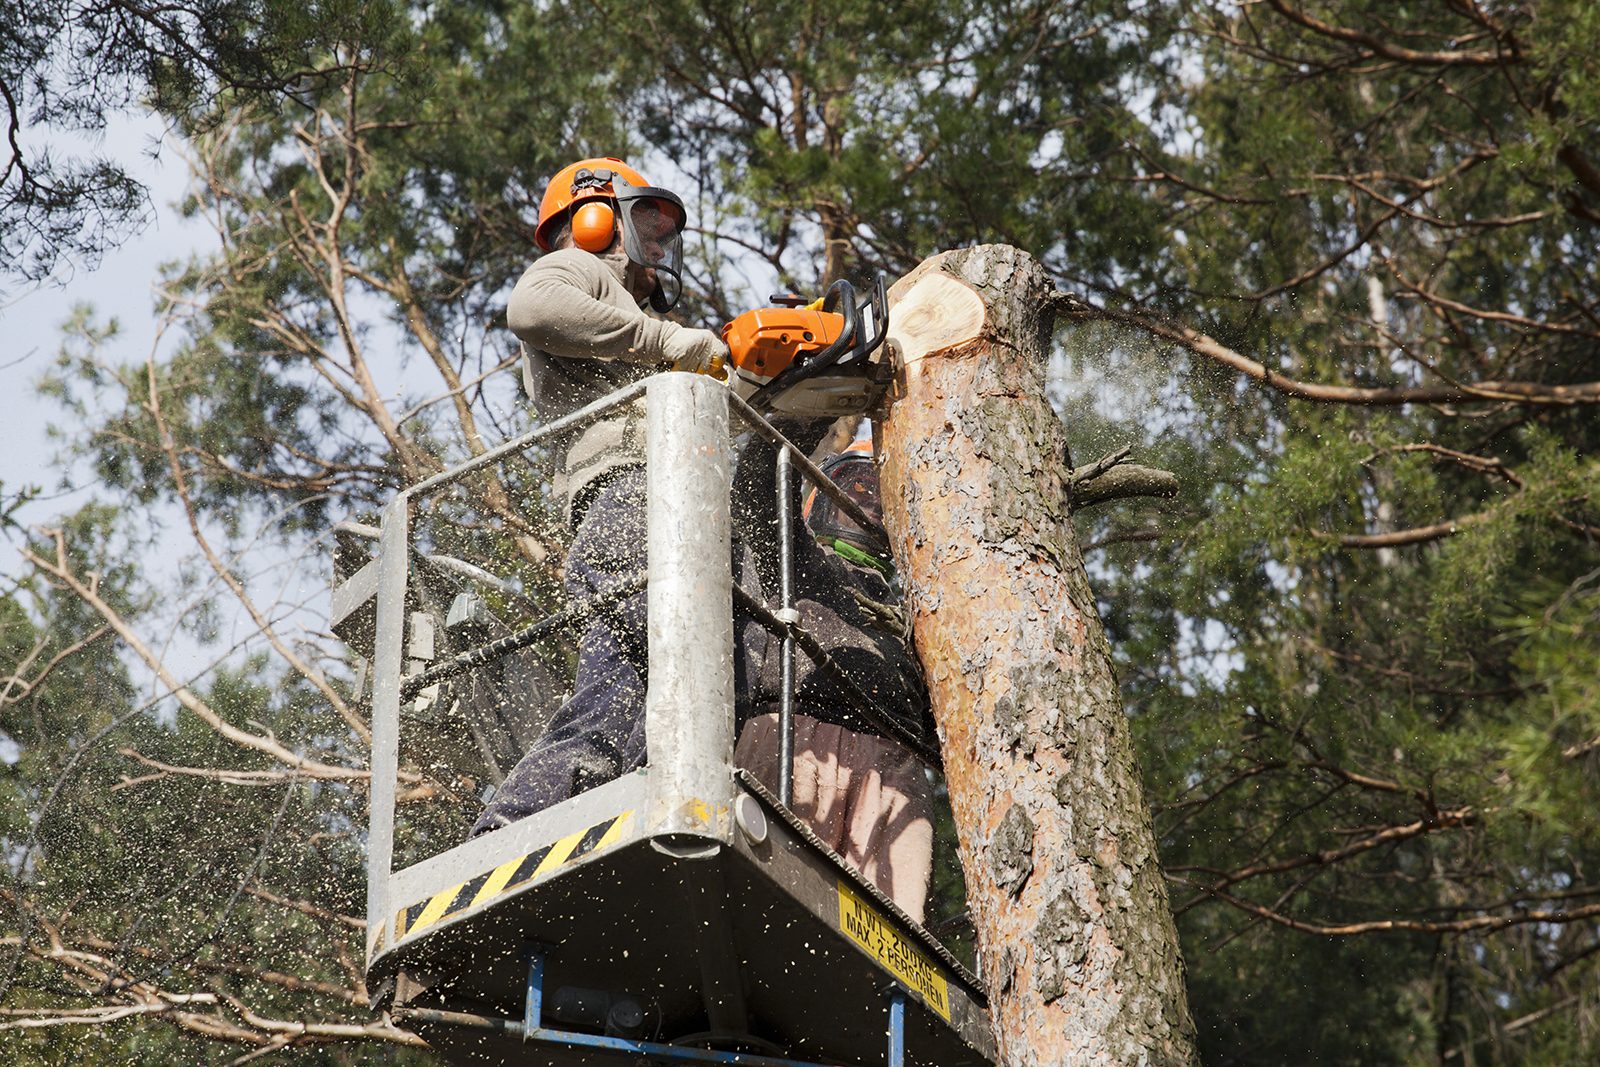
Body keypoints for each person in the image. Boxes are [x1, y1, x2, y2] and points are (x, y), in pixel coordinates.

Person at [472, 155, 934, 919]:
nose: (657, 248)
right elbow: (532, 308)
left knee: (630, 699)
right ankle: (515, 834)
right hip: (635, 504)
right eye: (646, 227)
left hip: (678, 506)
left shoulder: (647, 335)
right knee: (691, 674)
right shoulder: (577, 275)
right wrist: (678, 345)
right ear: (594, 218)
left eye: (664, 235)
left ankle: (537, 830)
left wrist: (796, 369)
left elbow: (736, 429)